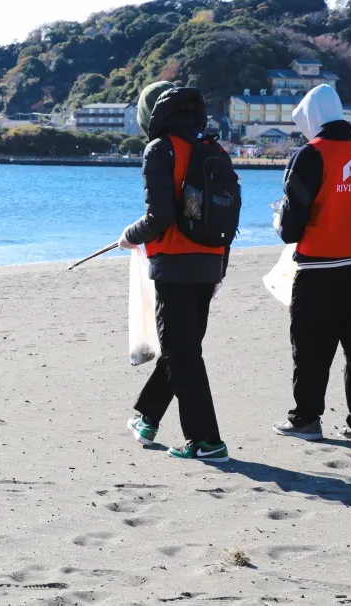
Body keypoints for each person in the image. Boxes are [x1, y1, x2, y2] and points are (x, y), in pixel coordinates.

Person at [118, 83, 231, 463]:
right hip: (209, 261)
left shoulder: (160, 148)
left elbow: (160, 216)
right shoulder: (212, 148)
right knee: (182, 348)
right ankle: (147, 418)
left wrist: (128, 237)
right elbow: (225, 217)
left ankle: (206, 441)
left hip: (177, 263)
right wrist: (220, 269)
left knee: (182, 353)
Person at [272, 84, 351, 444]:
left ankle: (306, 419)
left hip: (319, 264)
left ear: (311, 117)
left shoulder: (309, 155)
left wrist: (278, 219)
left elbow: (291, 226)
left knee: (310, 346)